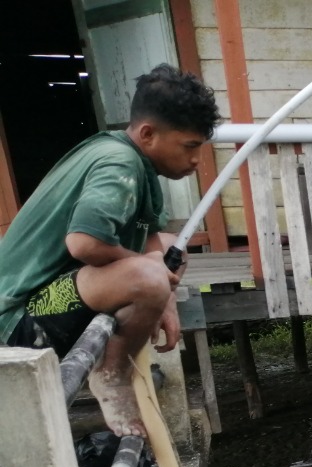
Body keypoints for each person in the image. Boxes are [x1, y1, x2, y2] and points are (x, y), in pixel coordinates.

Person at [0, 64, 221, 436]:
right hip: (19, 318)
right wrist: (152, 281)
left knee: (171, 250)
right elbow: (84, 243)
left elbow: (152, 244)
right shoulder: (117, 163)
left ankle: (120, 351)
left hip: (61, 291)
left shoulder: (134, 161)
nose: (197, 160)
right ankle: (111, 375)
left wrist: (163, 303)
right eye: (190, 146)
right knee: (149, 273)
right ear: (148, 133)